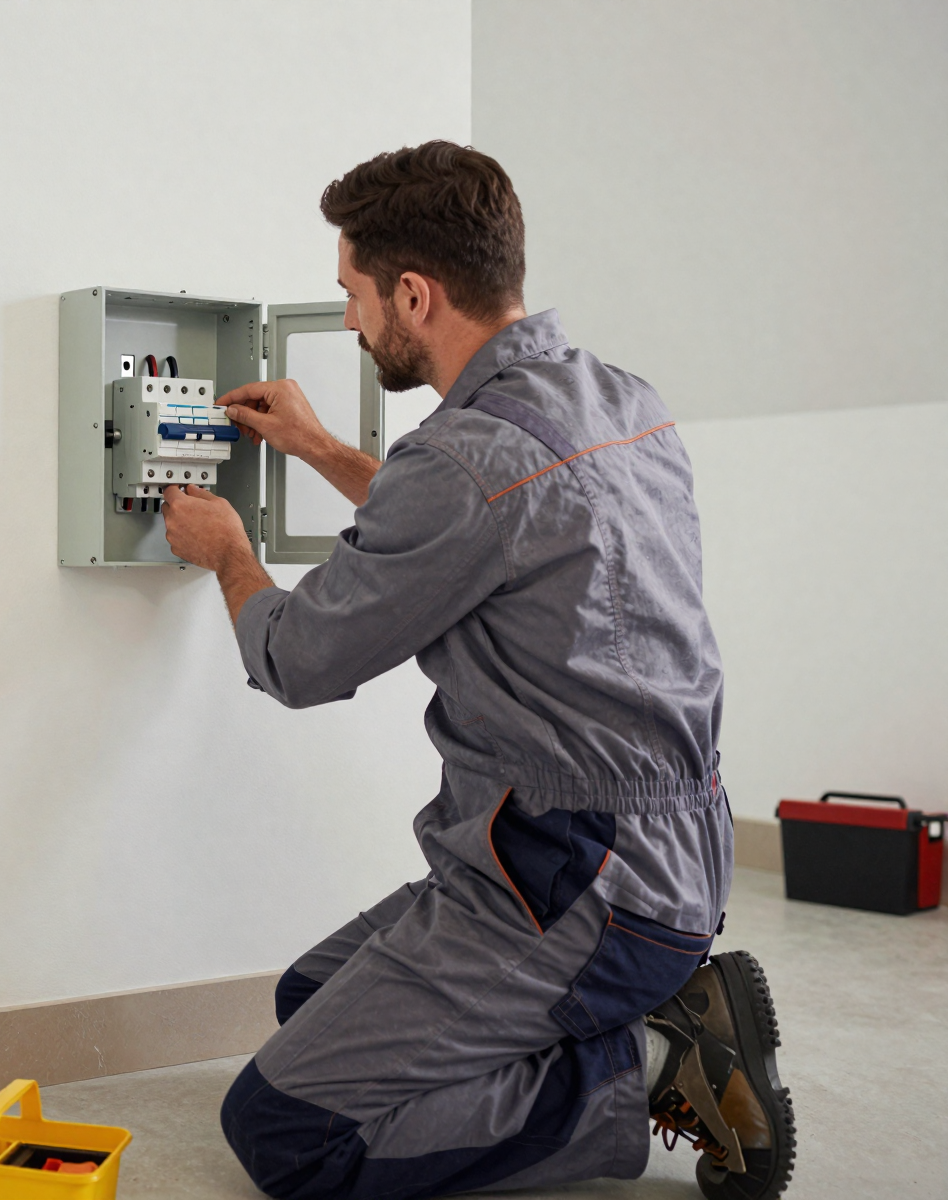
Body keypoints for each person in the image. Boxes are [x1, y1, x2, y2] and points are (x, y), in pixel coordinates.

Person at [161, 142, 794, 1200]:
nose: (355, 324)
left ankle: (643, 1068)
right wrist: (321, 451)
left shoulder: (462, 462)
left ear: (414, 292)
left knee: (286, 1130)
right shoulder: (617, 400)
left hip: (575, 885)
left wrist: (228, 555)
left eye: (354, 298)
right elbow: (487, 528)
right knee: (308, 998)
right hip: (668, 854)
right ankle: (659, 1010)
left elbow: (298, 658)